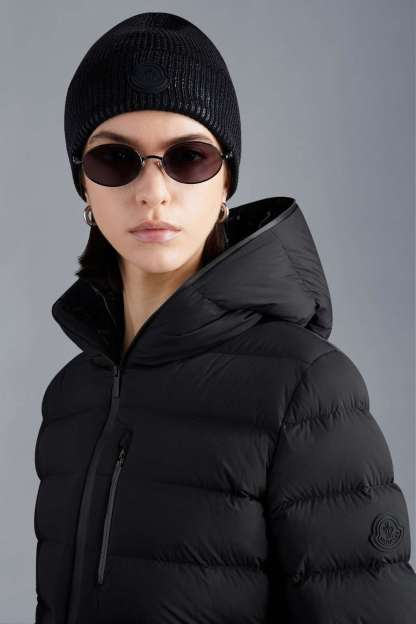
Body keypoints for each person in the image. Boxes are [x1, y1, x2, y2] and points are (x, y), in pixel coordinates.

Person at [33, 11, 416, 624]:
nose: (152, 190)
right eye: (115, 159)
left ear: (226, 181)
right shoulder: (70, 398)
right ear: (83, 184)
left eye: (188, 158)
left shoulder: (306, 388)